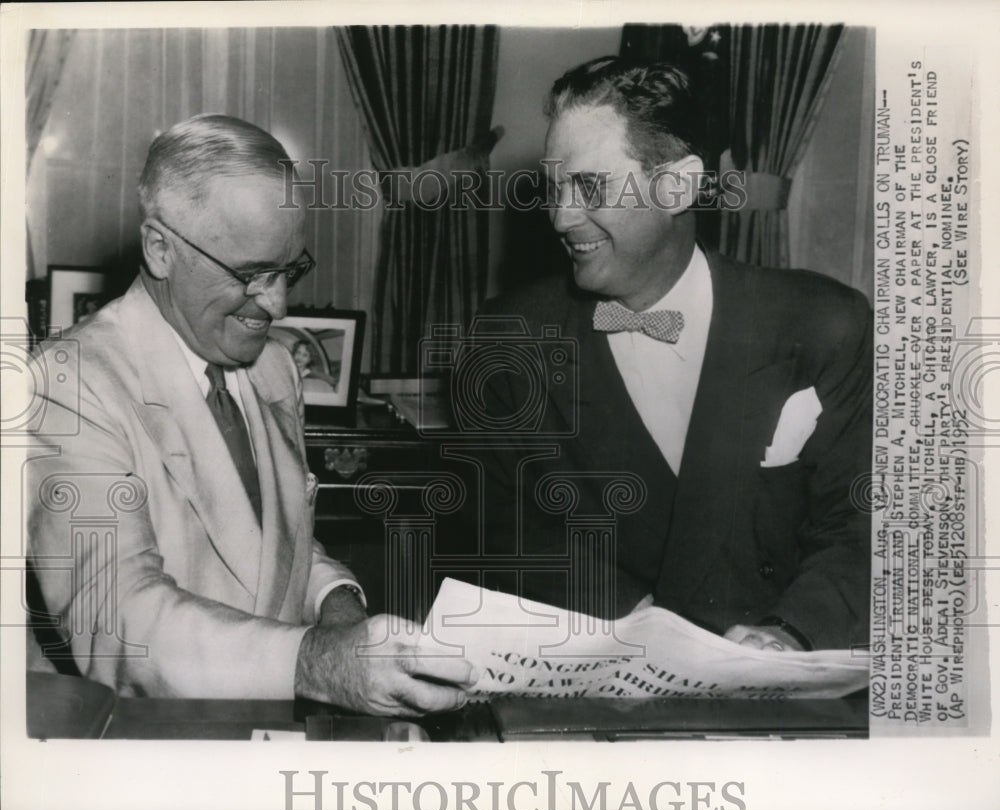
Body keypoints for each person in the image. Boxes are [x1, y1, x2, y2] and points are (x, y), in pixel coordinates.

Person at [27, 114, 477, 713]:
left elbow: (276, 547)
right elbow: (121, 622)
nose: (277, 303)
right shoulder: (65, 385)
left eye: (289, 269)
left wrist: (338, 605)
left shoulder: (272, 368)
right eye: (250, 274)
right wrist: (319, 661)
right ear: (160, 248)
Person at [473, 57, 872, 652]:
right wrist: (630, 622)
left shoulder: (825, 326)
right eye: (554, 188)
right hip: (602, 670)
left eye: (589, 186)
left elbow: (861, 524)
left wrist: (791, 634)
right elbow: (498, 525)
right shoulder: (509, 338)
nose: (560, 217)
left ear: (678, 186)